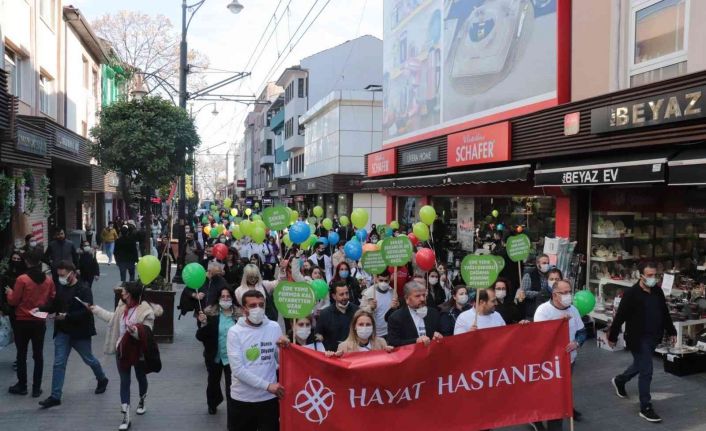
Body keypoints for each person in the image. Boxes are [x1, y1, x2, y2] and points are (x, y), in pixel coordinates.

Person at [609, 262, 676, 423]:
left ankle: (620, 380)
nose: (653, 278)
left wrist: (671, 331)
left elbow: (664, 312)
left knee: (640, 364)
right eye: (650, 275)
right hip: (637, 338)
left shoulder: (657, 291)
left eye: (655, 275)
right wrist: (613, 336)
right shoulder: (631, 294)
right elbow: (620, 316)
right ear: (641, 276)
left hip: (654, 336)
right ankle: (645, 407)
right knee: (647, 370)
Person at [89, 282, 162, 430]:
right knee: (124, 381)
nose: (121, 293)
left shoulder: (146, 311)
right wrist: (95, 309)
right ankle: (126, 416)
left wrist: (134, 331)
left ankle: (142, 399)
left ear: (130, 294)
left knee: (141, 377)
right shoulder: (122, 307)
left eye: (124, 291)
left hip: (138, 351)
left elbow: (147, 332)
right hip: (122, 350)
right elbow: (112, 318)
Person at [38, 261, 109, 409]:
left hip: (79, 332)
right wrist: (41, 309)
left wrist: (67, 316)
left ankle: (102, 378)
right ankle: (55, 396)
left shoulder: (84, 289)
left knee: (88, 359)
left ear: (73, 273)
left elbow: (87, 311)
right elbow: (55, 305)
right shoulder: (61, 287)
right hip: (63, 331)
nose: (61, 278)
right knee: (59, 363)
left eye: (63, 275)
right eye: (59, 275)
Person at [227, 290, 287, 431]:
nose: (258, 309)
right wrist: (267, 386)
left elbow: (280, 360)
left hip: (268, 399)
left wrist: (285, 349)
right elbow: (238, 370)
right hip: (243, 399)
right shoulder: (235, 332)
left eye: (261, 305)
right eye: (252, 305)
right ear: (244, 309)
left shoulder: (274, 327)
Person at [534, 279, 586, 429]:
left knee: (562, 395)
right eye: (564, 293)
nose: (568, 295)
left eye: (569, 292)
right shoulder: (543, 311)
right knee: (553, 397)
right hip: (551, 364)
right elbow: (540, 337)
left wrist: (576, 343)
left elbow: (582, 332)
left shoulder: (573, 310)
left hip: (569, 361)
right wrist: (559, 324)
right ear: (555, 294)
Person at [5, 249, 55, 397]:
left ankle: (22, 386)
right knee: (38, 355)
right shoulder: (48, 280)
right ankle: (36, 388)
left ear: (27, 262)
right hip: (39, 321)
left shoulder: (22, 279)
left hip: (22, 320)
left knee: (21, 354)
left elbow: (14, 301)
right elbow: (52, 298)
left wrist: (9, 293)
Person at [196, 287, 238, 420]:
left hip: (233, 358)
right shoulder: (211, 314)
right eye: (222, 296)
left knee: (232, 385)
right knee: (213, 382)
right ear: (218, 299)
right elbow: (200, 336)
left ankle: (232, 409)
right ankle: (213, 403)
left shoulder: (239, 316)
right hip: (215, 355)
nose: (225, 299)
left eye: (228, 296)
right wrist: (203, 323)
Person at [386, 281, 443, 347]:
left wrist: (439, 336)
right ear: (407, 299)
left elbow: (441, 334)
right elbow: (393, 342)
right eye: (417, 296)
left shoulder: (433, 313)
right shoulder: (396, 318)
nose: (422, 299)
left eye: (424, 295)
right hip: (410, 352)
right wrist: (415, 341)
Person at [326, 310, 393, 356]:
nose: (364, 327)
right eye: (361, 324)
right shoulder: (343, 347)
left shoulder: (381, 343)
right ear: (354, 326)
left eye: (368, 324)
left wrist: (390, 353)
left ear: (373, 327)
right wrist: (332, 357)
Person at [316, 282, 359, 351]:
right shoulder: (325, 314)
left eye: (347, 293)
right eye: (341, 294)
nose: (345, 297)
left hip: (352, 352)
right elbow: (318, 334)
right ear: (334, 296)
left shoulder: (357, 311)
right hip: (332, 354)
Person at [359, 270, 397, 339]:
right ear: (376, 279)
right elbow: (361, 312)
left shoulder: (392, 292)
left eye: (386, 281)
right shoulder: (368, 293)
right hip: (374, 333)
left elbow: (396, 312)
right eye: (381, 280)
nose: (383, 283)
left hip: (389, 331)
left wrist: (395, 307)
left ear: (389, 280)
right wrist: (370, 307)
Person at [519, 254, 553, 320]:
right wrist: (540, 294)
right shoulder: (529, 275)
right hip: (533, 311)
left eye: (548, 263)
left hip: (548, 310)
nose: (546, 265)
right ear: (538, 264)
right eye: (544, 263)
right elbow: (523, 292)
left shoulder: (551, 275)